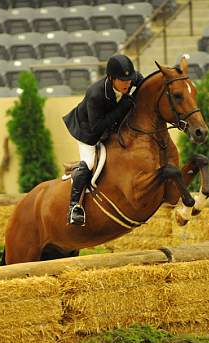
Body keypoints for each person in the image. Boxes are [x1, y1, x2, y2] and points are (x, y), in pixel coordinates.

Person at [62, 54, 144, 226]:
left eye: (129, 80)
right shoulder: (95, 94)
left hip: (110, 127)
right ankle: (74, 207)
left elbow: (143, 84)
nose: (128, 84)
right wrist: (124, 106)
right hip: (88, 131)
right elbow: (97, 128)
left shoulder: (131, 78)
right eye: (123, 80)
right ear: (111, 78)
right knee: (89, 163)